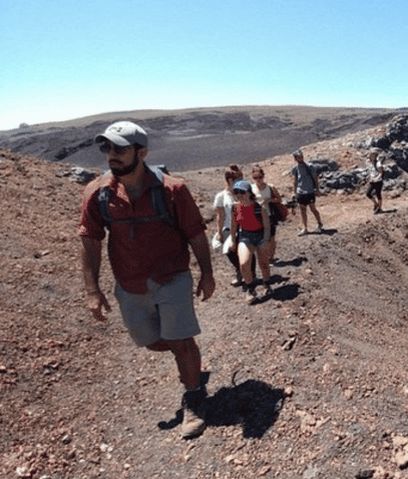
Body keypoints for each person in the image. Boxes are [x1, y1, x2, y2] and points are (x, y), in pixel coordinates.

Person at [79, 120, 215, 439]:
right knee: (151, 341)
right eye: (106, 147)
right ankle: (188, 356)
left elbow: (195, 234)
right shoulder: (97, 193)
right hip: (130, 283)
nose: (111, 154)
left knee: (180, 341)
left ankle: (194, 396)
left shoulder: (173, 190)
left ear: (142, 152)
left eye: (119, 149)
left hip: (172, 277)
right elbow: (90, 240)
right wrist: (92, 289)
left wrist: (207, 273)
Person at [228, 180, 272, 304]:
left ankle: (267, 284)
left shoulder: (259, 208)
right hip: (245, 236)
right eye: (236, 192)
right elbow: (233, 225)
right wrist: (232, 240)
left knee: (263, 263)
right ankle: (251, 289)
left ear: (249, 193)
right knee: (244, 263)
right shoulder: (235, 207)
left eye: (241, 192)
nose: (239, 195)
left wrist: (266, 240)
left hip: (260, 235)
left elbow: (267, 226)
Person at [212, 164, 254, 286]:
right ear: (230, 180)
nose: (241, 180)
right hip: (230, 228)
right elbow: (220, 216)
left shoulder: (243, 192)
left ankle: (250, 274)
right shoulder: (221, 196)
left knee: (247, 250)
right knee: (230, 251)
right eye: (239, 178)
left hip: (244, 226)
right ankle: (241, 271)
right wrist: (219, 232)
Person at [290, 149, 323, 235]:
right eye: (299, 157)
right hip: (300, 192)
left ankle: (319, 224)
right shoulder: (295, 169)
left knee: (313, 209)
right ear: (295, 159)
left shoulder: (310, 166)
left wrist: (317, 189)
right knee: (302, 210)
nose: (301, 158)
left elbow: (315, 178)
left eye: (301, 157)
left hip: (309, 191)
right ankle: (305, 228)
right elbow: (295, 181)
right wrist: (294, 192)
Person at [251, 166, 278, 265]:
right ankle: (265, 256)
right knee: (261, 237)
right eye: (255, 177)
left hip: (269, 215)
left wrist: (269, 200)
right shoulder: (251, 188)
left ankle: (271, 256)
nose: (258, 180)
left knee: (271, 238)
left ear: (263, 176)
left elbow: (278, 200)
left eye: (260, 177)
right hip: (257, 216)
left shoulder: (270, 187)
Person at [365, 148, 385, 213]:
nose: (372, 156)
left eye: (373, 155)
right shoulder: (370, 163)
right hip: (372, 180)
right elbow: (370, 171)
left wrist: (377, 178)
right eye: (371, 154)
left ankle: (379, 208)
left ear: (375, 156)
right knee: (368, 193)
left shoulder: (378, 163)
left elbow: (381, 172)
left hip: (378, 181)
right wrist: (369, 177)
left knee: (378, 194)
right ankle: (376, 204)